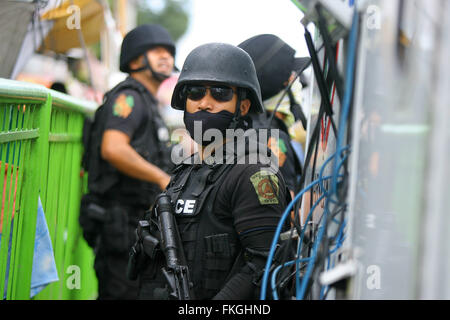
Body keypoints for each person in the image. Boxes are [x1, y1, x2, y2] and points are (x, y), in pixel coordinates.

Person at [130, 43, 290, 300]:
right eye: (194, 93)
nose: (204, 103)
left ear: (244, 107)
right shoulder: (186, 169)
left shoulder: (254, 173)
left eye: (220, 93)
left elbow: (264, 263)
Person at [79, 24, 176, 300]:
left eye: (169, 52)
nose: (165, 57)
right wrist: (160, 177)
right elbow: (113, 148)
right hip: (119, 223)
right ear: (135, 60)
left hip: (131, 225)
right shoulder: (130, 98)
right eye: (156, 51)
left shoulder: (147, 102)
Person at [238, 34, 311, 195]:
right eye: (293, 76)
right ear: (281, 86)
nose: (299, 82)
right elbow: (287, 213)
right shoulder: (273, 138)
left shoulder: (246, 129)